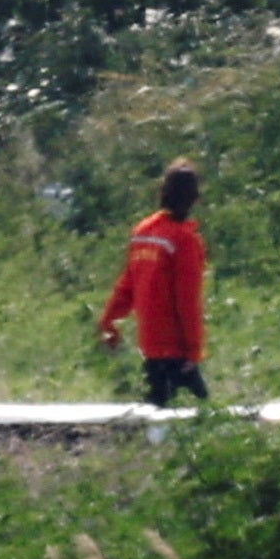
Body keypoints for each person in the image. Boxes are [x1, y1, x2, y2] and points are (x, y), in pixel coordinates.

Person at [94, 158, 208, 403]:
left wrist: (108, 323)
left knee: (159, 410)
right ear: (194, 197)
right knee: (201, 418)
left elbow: (127, 286)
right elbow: (187, 302)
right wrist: (193, 350)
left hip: (150, 344)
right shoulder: (184, 240)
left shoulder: (144, 232)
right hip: (176, 348)